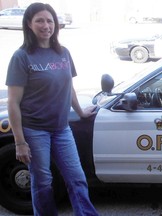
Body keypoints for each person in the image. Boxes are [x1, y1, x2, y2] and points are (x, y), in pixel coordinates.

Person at [5, 3, 99, 216]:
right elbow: (13, 102)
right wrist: (19, 142)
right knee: (43, 182)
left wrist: (81, 112)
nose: (46, 25)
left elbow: (69, 88)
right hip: (35, 130)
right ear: (29, 24)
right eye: (39, 20)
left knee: (76, 177)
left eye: (49, 20)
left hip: (61, 129)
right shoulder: (21, 57)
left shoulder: (63, 52)